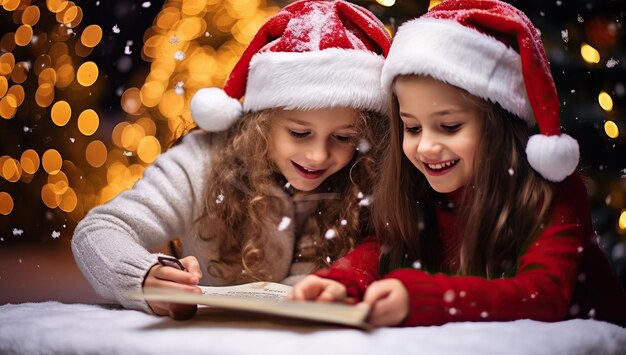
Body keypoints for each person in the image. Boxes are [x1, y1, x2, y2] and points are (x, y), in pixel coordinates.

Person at [290, 0, 626, 327]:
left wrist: (425, 299)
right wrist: (343, 281)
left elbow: (543, 295)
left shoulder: (551, 192)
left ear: (499, 124)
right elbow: (381, 246)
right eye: (412, 128)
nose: (427, 147)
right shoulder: (417, 185)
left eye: (449, 127)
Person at [72, 0, 391, 320]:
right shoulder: (201, 161)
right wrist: (144, 278)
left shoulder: (364, 175)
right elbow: (99, 231)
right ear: (261, 122)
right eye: (299, 133)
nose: (318, 155)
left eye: (343, 137)